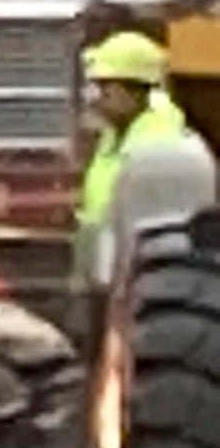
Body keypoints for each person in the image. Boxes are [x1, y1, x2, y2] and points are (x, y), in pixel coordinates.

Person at [77, 29, 213, 313]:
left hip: (148, 289)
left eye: (105, 87)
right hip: (115, 282)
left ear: (135, 90)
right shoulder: (117, 133)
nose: (96, 97)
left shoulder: (160, 144)